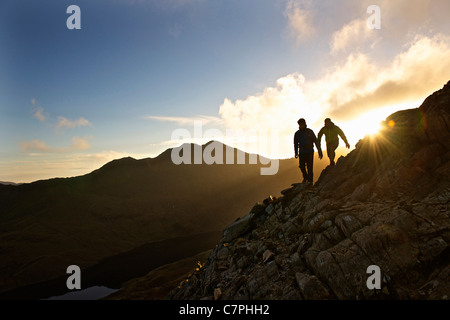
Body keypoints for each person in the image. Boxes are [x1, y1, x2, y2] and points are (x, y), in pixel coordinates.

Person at [294, 118, 323, 183]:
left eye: (302, 124)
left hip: (310, 152)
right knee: (301, 166)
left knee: (310, 168)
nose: (301, 125)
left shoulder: (310, 131)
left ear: (305, 123)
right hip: (301, 152)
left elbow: (315, 141)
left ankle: (310, 182)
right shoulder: (297, 133)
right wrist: (296, 152)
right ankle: (305, 177)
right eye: (300, 124)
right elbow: (295, 143)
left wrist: (319, 151)